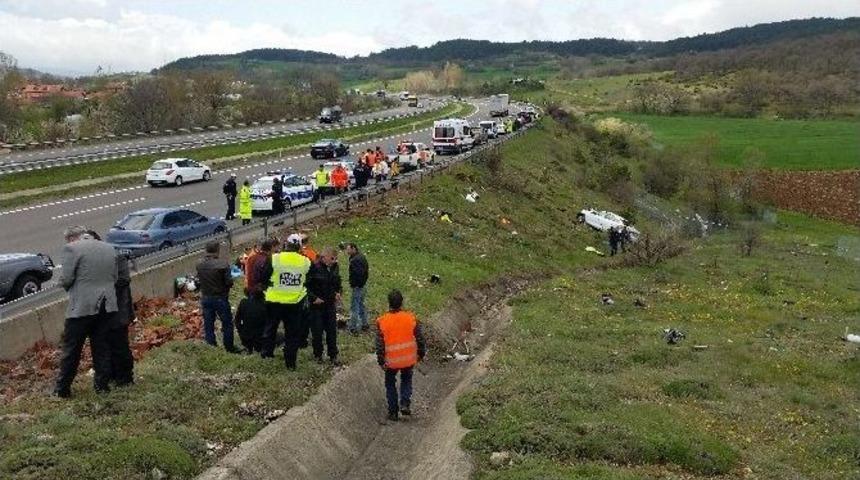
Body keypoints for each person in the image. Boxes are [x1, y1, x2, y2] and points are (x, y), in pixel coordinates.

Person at [54, 226, 118, 398]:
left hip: (82, 307)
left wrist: (67, 286)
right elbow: (115, 277)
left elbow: (67, 279)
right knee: (102, 347)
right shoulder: (109, 248)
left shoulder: (71, 248)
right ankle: (102, 386)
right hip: (107, 305)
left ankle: (62, 389)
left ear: (72, 238)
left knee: (72, 349)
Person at [260, 236, 311, 369]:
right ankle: (290, 363)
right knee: (292, 333)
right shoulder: (305, 261)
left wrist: (268, 288)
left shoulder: (275, 258)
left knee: (270, 328)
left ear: (285, 245)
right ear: (300, 247)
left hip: (274, 300)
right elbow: (309, 280)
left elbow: (264, 276)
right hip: (294, 303)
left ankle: (266, 354)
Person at [376, 290, 426, 421]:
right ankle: (404, 403)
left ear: (389, 304)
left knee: (390, 383)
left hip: (391, 361)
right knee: (406, 379)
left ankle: (393, 411)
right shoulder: (411, 318)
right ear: (402, 302)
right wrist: (421, 354)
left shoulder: (382, 321)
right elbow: (420, 338)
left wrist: (381, 361)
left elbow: (380, 344)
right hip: (408, 359)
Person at [196, 241, 240, 353]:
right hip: (220, 298)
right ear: (218, 250)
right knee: (227, 324)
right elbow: (229, 283)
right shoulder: (223, 264)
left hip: (206, 297)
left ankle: (211, 347)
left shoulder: (199, 265)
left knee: (208, 324)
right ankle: (229, 347)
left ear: (206, 250)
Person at [306, 247, 343, 365]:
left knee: (332, 331)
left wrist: (338, 293)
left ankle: (333, 355)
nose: (334, 261)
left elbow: (338, 283)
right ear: (324, 257)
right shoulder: (314, 268)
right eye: (332, 258)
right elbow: (306, 286)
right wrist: (313, 298)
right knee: (317, 332)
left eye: (335, 259)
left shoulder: (334, 268)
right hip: (317, 306)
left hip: (330, 304)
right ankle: (318, 355)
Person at [109, 242, 135, 386]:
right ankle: (113, 375)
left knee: (120, 346)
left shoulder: (118, 258)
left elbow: (124, 280)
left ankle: (125, 378)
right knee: (109, 347)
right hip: (105, 315)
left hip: (119, 312)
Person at [235, 284, 267, 354]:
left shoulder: (243, 302)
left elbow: (237, 320)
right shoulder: (265, 305)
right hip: (260, 339)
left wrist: (241, 331)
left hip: (246, 338)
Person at [346, 243, 369, 334]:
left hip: (358, 287)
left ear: (353, 249)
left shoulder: (355, 260)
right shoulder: (361, 257)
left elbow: (358, 274)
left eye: (348, 249)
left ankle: (353, 327)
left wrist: (355, 285)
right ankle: (365, 323)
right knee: (361, 304)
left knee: (354, 306)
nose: (347, 251)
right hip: (362, 285)